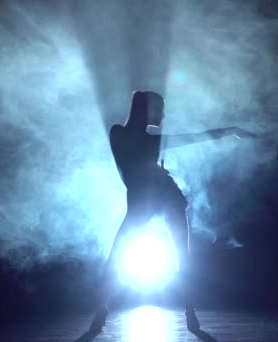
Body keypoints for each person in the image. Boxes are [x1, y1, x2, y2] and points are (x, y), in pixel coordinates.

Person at [89, 90, 255, 333]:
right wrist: (153, 171)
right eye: (160, 108)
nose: (164, 115)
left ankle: (190, 311)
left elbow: (194, 137)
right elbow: (135, 159)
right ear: (145, 109)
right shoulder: (121, 133)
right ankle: (101, 308)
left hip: (166, 198)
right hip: (145, 200)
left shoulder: (146, 139)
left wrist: (229, 129)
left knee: (181, 255)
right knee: (118, 254)